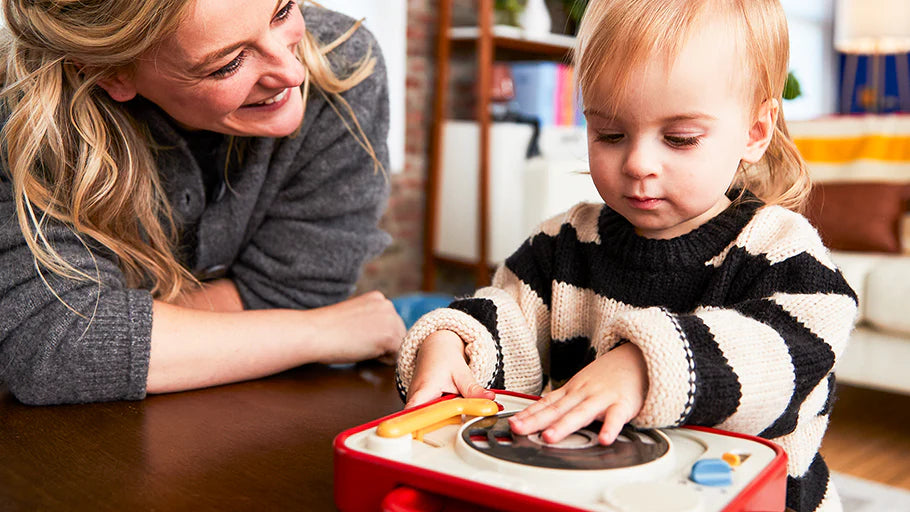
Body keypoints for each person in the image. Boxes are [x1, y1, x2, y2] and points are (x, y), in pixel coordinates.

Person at [395, 1, 857, 511]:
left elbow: (789, 352)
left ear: (755, 131)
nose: (637, 163)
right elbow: (505, 323)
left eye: (679, 139)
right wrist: (452, 346)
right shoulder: (565, 242)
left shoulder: (781, 252)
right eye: (609, 134)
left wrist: (646, 367)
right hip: (599, 494)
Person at [0, 0, 405, 405]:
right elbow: (53, 344)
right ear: (111, 75)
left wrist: (130, 327)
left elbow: (296, 294)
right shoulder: (22, 121)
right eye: (228, 64)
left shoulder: (344, 62)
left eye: (282, 12)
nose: (293, 73)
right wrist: (319, 332)